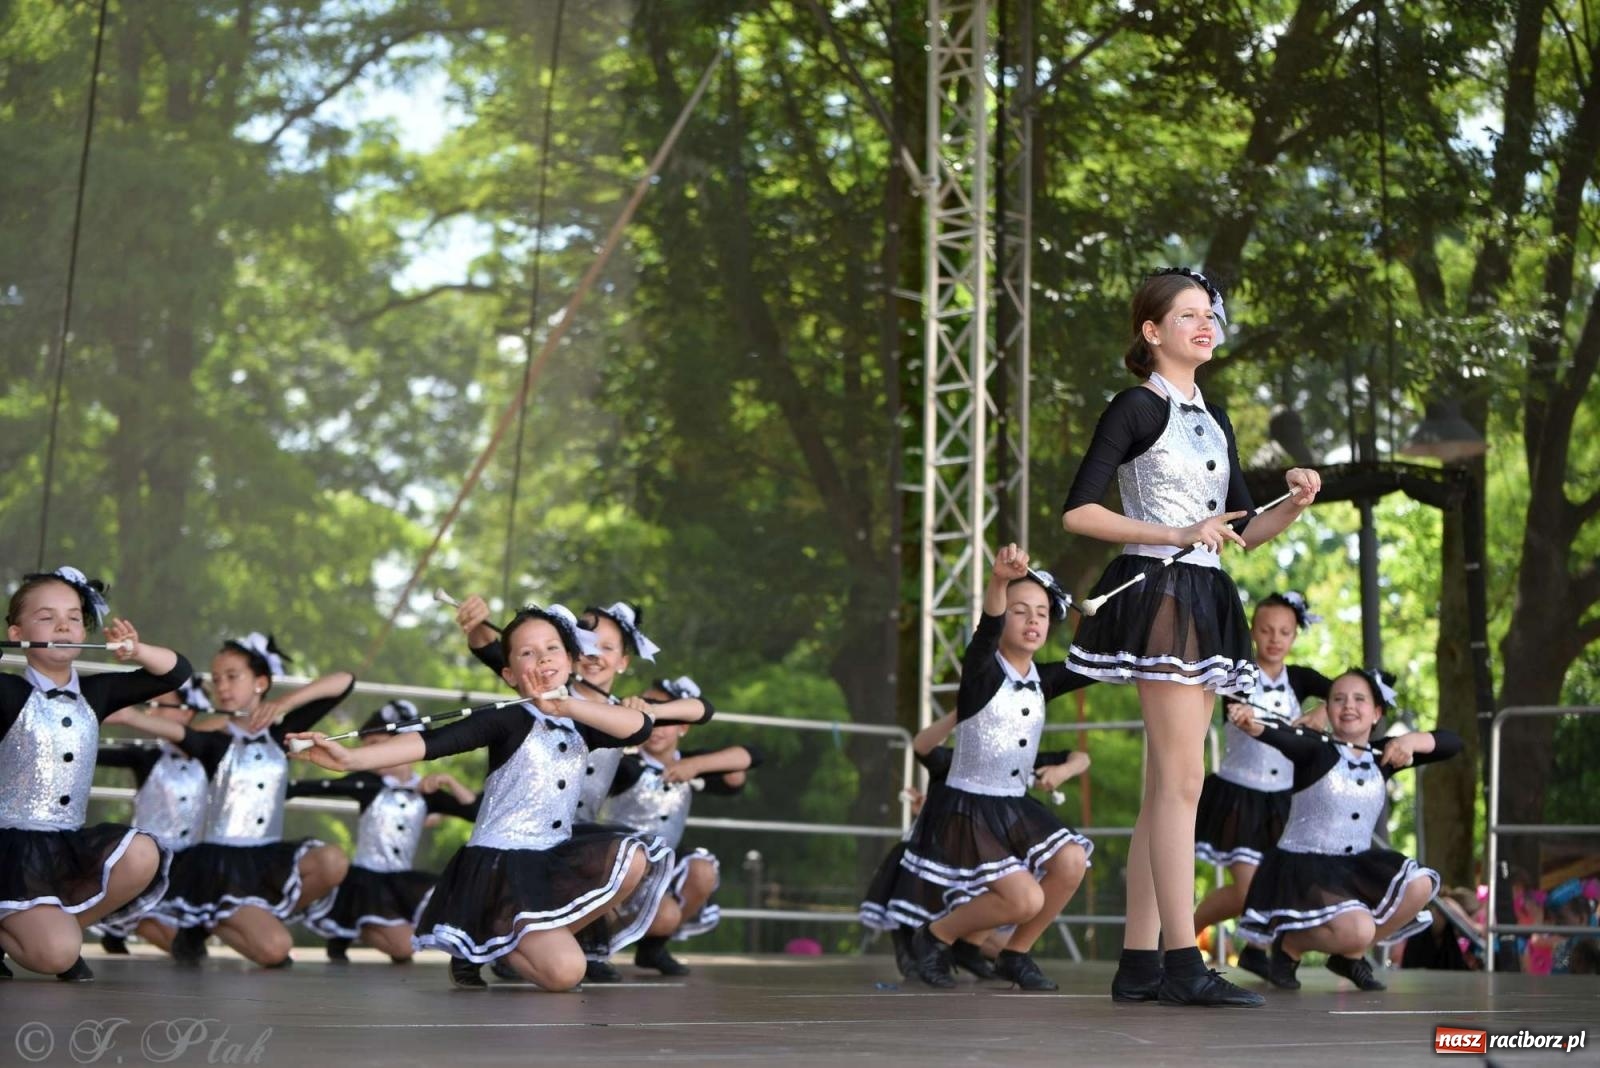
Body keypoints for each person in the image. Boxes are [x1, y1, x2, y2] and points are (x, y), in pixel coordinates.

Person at [1061, 267, 1321, 1006]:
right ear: (1152, 331)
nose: (1206, 325)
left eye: (1210, 314)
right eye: (1187, 315)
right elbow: (1079, 511)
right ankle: (1183, 960)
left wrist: (1294, 503)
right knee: (1182, 784)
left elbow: (1243, 529)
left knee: (1166, 788)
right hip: (1160, 591)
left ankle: (1140, 961)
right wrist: (1178, 531)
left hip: (1204, 593)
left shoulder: (1215, 417)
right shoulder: (1135, 406)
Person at [288, 604, 673, 992]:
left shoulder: (583, 722)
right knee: (566, 974)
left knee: (634, 860)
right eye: (527, 652)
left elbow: (639, 728)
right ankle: (494, 936)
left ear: (571, 661)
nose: (542, 658)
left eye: (552, 648)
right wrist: (351, 759)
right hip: (502, 865)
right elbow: (432, 742)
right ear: (510, 674)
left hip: (550, 858)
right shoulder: (507, 719)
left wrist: (566, 705)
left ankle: (503, 939)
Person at [897, 547, 1096, 992]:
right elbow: (985, 631)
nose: (1032, 620)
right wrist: (998, 581)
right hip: (967, 808)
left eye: (1041, 613)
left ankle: (1015, 953)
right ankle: (935, 937)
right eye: (1019, 611)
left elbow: (1096, 664)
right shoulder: (982, 671)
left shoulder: (1044, 679)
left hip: (1012, 806)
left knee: (1071, 861)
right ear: (1002, 615)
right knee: (1025, 899)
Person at [110, 633, 354, 967]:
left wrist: (284, 704)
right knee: (276, 950)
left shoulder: (283, 734)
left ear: (260, 682)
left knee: (333, 861)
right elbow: (175, 732)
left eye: (232, 676)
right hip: (221, 868)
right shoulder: (212, 742)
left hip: (267, 859)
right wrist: (128, 715)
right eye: (217, 679)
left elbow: (344, 681)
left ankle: (238, 917)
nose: (222, 686)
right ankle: (211, 917)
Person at [0, 567, 190, 981]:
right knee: (57, 957)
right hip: (11, 848)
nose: (63, 625)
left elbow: (177, 673)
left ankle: (60, 930)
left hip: (67, 844)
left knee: (142, 853)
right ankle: (42, 937)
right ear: (16, 634)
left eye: (74, 617)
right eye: (47, 617)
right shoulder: (8, 691)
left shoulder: (97, 692)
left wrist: (138, 651)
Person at [1234, 669, 1461, 991]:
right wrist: (1251, 721)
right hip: (1305, 865)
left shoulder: (1383, 755)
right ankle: (1290, 945)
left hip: (1354, 866)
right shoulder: (1315, 749)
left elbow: (1452, 743)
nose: (1349, 706)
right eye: (1338, 699)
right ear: (1327, 710)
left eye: (1359, 699)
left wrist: (1408, 740)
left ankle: (1350, 957)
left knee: (1421, 885)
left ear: (1377, 712)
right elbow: (1278, 734)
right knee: (1359, 929)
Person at [1193, 592, 1331, 977]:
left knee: (1278, 882)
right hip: (1238, 797)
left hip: (1284, 800)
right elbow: (1219, 702)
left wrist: (1323, 711)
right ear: (1253, 631)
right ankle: (1182, 934)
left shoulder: (1300, 678)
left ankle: (1257, 950)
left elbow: (1351, 691)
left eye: (1284, 632)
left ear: (1294, 636)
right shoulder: (1236, 673)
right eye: (1267, 630)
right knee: (1247, 890)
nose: (1275, 639)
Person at [292, 699, 480, 963]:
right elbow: (319, 787)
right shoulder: (367, 783)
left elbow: (475, 812)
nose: (368, 754)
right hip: (365, 878)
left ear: (404, 746)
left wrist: (450, 781)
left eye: (376, 745)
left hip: (400, 882)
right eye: (365, 747)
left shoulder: (426, 791)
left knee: (407, 948)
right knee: (400, 945)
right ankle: (349, 928)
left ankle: (364, 927)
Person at [596, 675, 760, 977]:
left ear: (683, 727)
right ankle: (595, 946)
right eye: (651, 718)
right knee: (637, 895)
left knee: (702, 872)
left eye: (666, 720)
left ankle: (653, 947)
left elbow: (746, 761)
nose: (657, 728)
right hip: (619, 866)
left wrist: (695, 766)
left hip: (663, 864)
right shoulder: (625, 763)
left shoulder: (690, 763)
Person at [94, 676, 216, 955]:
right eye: (151, 705)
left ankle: (126, 923)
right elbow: (96, 754)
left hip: (191, 866)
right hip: (150, 864)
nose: (152, 711)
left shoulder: (211, 753)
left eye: (161, 705)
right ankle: (127, 919)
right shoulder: (147, 756)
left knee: (194, 940)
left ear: (186, 712)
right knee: (184, 949)